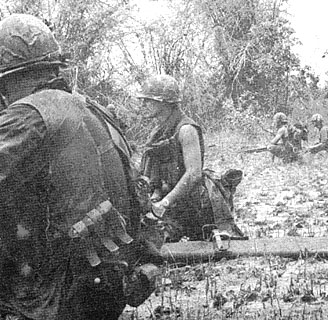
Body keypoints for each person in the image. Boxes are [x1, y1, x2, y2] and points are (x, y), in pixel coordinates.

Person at [0, 14, 161, 320]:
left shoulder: (29, 114)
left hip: (61, 293)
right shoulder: (91, 108)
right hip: (109, 284)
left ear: (9, 78)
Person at [138, 74, 245, 242]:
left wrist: (164, 204)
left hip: (191, 204)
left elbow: (193, 174)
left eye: (149, 100)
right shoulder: (158, 132)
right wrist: (154, 198)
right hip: (171, 202)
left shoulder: (186, 130)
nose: (144, 104)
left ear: (164, 102)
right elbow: (154, 175)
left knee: (154, 243)